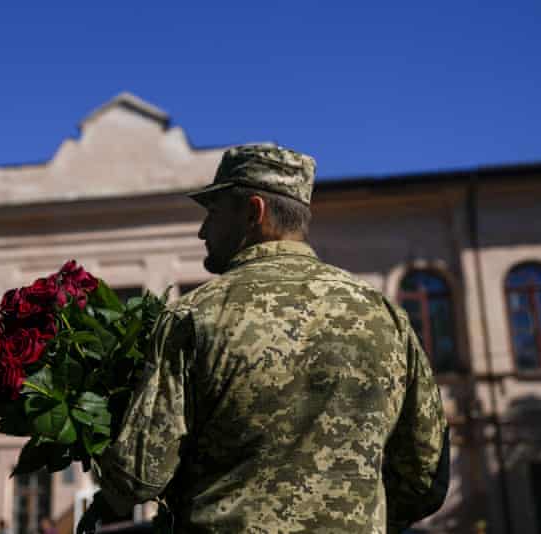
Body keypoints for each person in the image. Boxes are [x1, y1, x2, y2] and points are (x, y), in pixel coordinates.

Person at [79, 143, 450, 533]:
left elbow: (138, 476)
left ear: (254, 212)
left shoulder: (194, 315)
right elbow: (425, 476)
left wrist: (91, 425)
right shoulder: (386, 316)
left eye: (214, 213)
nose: (202, 230)